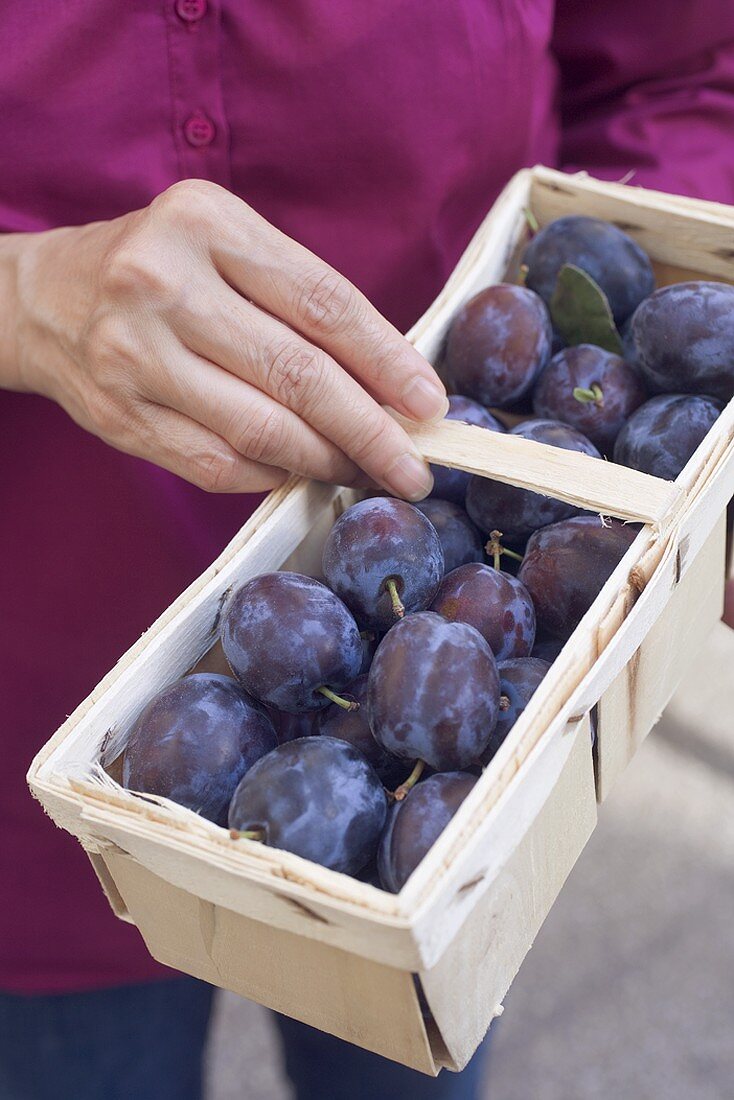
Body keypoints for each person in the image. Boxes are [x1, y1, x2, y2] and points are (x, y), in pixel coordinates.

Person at [2, 4, 734, 1099]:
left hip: (457, 553)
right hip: (39, 686)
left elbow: (677, 71)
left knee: (405, 1043)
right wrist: (18, 295)